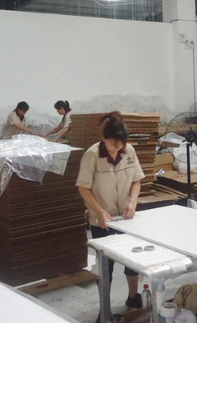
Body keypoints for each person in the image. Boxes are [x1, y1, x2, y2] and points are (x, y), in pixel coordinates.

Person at [76, 112, 145, 320]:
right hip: (103, 220)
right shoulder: (91, 155)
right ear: (103, 138)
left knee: (133, 260)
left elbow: (137, 179)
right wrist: (99, 211)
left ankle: (133, 297)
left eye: (119, 145)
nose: (115, 150)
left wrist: (133, 202)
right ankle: (104, 310)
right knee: (106, 267)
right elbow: (83, 187)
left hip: (126, 217)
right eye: (111, 145)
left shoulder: (129, 150)